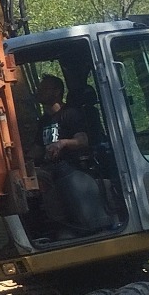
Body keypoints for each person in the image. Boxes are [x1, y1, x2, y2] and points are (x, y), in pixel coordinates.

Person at [34, 72, 111, 235]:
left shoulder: (70, 114)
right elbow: (37, 149)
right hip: (49, 169)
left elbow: (83, 140)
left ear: (57, 92)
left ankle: (87, 226)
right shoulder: (43, 121)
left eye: (44, 88)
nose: (38, 91)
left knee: (57, 174)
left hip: (72, 166)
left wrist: (62, 143)